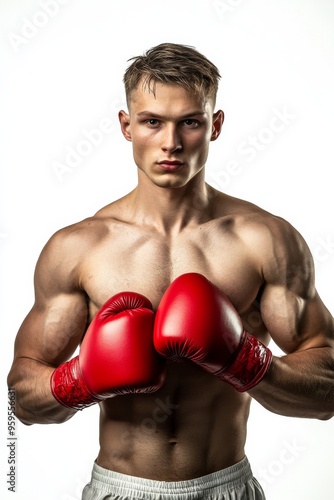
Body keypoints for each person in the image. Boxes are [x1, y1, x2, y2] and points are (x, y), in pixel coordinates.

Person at [7, 42, 334, 500]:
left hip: (227, 487)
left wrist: (249, 364)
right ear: (126, 125)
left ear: (215, 125)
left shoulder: (265, 240)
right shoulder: (78, 248)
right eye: (152, 121)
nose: (171, 143)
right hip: (119, 488)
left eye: (191, 122)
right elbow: (21, 399)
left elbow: (328, 389)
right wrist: (77, 380)